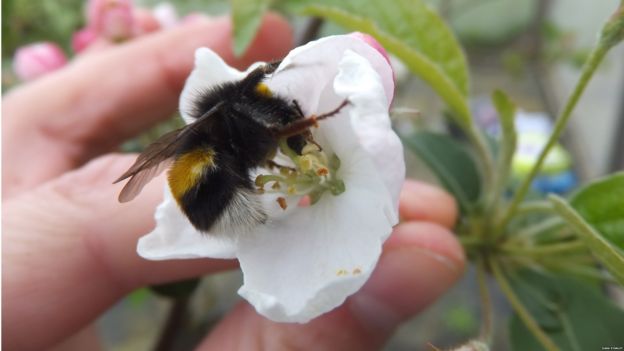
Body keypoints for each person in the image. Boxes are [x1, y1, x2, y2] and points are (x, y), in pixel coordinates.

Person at [2, 14, 464, 351]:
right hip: (215, 194)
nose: (294, 134)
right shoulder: (247, 125)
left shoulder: (239, 117)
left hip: (214, 192)